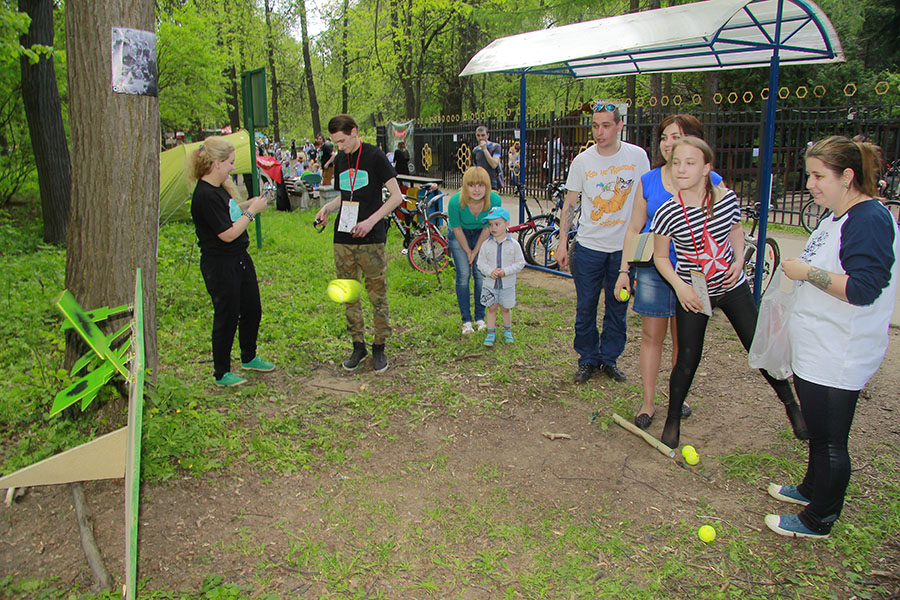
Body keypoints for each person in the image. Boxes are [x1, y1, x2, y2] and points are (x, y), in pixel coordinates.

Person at [765, 136, 899, 539]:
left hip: (840, 350)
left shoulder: (869, 219)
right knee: (819, 431)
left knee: (830, 440)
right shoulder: (836, 216)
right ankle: (811, 489)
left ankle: (819, 518)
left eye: (819, 176)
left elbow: (863, 289)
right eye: (810, 174)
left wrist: (805, 272)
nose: (811, 184)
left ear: (848, 176)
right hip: (818, 344)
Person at [650, 136, 807, 449]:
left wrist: (738, 260)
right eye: (676, 162)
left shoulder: (726, 200)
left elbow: (735, 230)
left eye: (690, 163)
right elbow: (660, 257)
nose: (681, 169)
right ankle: (672, 420)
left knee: (757, 346)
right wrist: (680, 288)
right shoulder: (668, 211)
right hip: (694, 292)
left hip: (732, 288)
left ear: (707, 168)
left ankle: (791, 404)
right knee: (687, 359)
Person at [615, 114, 723, 429]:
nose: (668, 143)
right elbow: (634, 228)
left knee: (683, 339)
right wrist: (625, 270)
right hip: (653, 271)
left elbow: (728, 225)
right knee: (651, 336)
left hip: (692, 274)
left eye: (676, 136)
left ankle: (678, 397)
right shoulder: (648, 180)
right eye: (664, 137)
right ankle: (648, 402)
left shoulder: (711, 181)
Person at [556, 102, 650, 384]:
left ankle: (609, 359)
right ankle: (587, 359)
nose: (599, 132)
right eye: (595, 126)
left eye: (606, 125)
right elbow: (570, 204)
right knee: (585, 307)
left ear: (620, 125)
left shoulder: (637, 157)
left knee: (617, 307)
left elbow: (645, 198)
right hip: (588, 250)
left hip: (623, 252)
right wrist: (563, 241)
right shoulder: (583, 162)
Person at [314, 114, 404, 373]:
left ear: (354, 132)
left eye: (342, 140)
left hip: (371, 238)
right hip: (343, 237)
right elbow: (345, 196)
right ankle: (358, 345)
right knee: (348, 292)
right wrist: (327, 209)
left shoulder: (375, 157)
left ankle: (379, 346)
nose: (338, 146)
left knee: (377, 293)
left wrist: (370, 221)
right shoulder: (341, 159)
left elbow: (396, 197)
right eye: (335, 142)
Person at [188, 136, 274, 387]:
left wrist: (249, 204)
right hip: (220, 264)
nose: (233, 168)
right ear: (216, 163)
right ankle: (221, 371)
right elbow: (227, 233)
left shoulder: (218, 191)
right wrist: (252, 212)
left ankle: (249, 356)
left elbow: (230, 212)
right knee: (227, 315)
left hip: (239, 259)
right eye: (231, 163)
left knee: (251, 309)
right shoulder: (204, 195)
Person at [447, 166, 502, 334]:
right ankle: (466, 321)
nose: (476, 190)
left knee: (480, 274)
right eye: (472, 185)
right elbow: (456, 229)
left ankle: (480, 317)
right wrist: (468, 252)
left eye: (481, 185)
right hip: (459, 234)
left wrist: (476, 250)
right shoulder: (455, 202)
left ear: (487, 186)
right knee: (463, 274)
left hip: (482, 234)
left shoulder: (494, 201)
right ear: (465, 186)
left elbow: (488, 228)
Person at [476, 207, 526, 346]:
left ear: (507, 224)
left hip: (507, 284)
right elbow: (480, 263)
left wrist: (506, 271)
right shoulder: (486, 244)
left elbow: (520, 262)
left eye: (497, 224)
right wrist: (490, 271)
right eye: (490, 224)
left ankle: (507, 331)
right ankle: (490, 332)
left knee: (505, 308)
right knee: (491, 308)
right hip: (490, 284)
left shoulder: (514, 245)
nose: (493, 227)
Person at [473, 126, 503, 190]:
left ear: (487, 135)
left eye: (483, 135)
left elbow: (494, 164)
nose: (480, 138)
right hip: (480, 183)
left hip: (492, 183)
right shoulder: (475, 150)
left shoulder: (495, 147)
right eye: (478, 135)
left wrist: (484, 149)